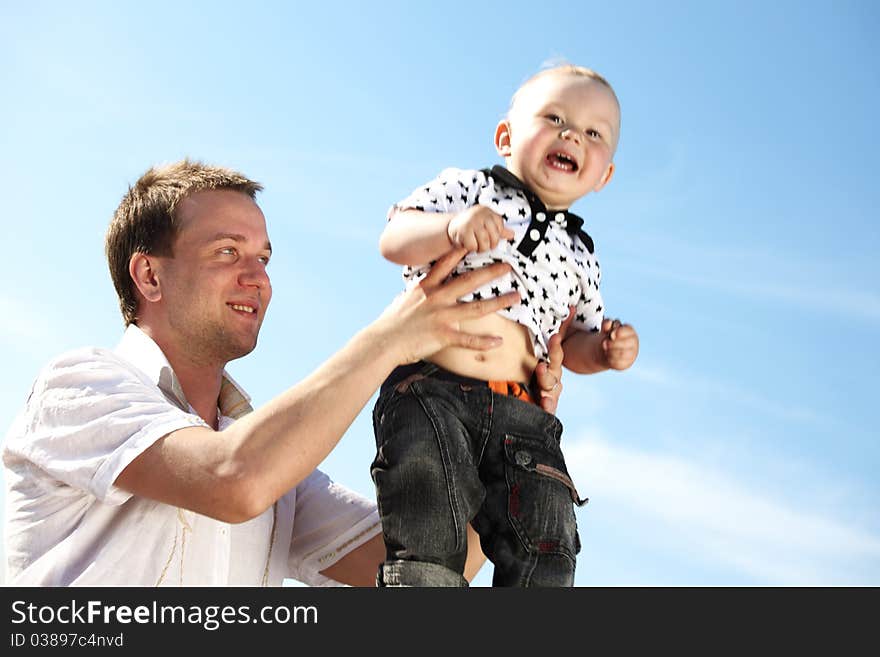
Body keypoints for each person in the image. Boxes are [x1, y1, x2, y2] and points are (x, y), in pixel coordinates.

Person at [2, 160, 566, 586]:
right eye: (227, 252)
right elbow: (231, 480)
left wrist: (508, 433)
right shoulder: (77, 386)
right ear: (149, 276)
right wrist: (390, 339)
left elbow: (438, 556)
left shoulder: (278, 471)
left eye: (264, 258)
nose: (258, 277)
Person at [372, 65, 640, 586]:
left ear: (604, 174)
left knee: (548, 540)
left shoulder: (583, 255)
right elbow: (394, 236)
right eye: (555, 118)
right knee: (428, 515)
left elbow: (574, 343)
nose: (571, 136)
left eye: (593, 133)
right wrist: (451, 228)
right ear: (505, 137)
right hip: (434, 389)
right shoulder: (469, 190)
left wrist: (604, 352)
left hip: (523, 417)